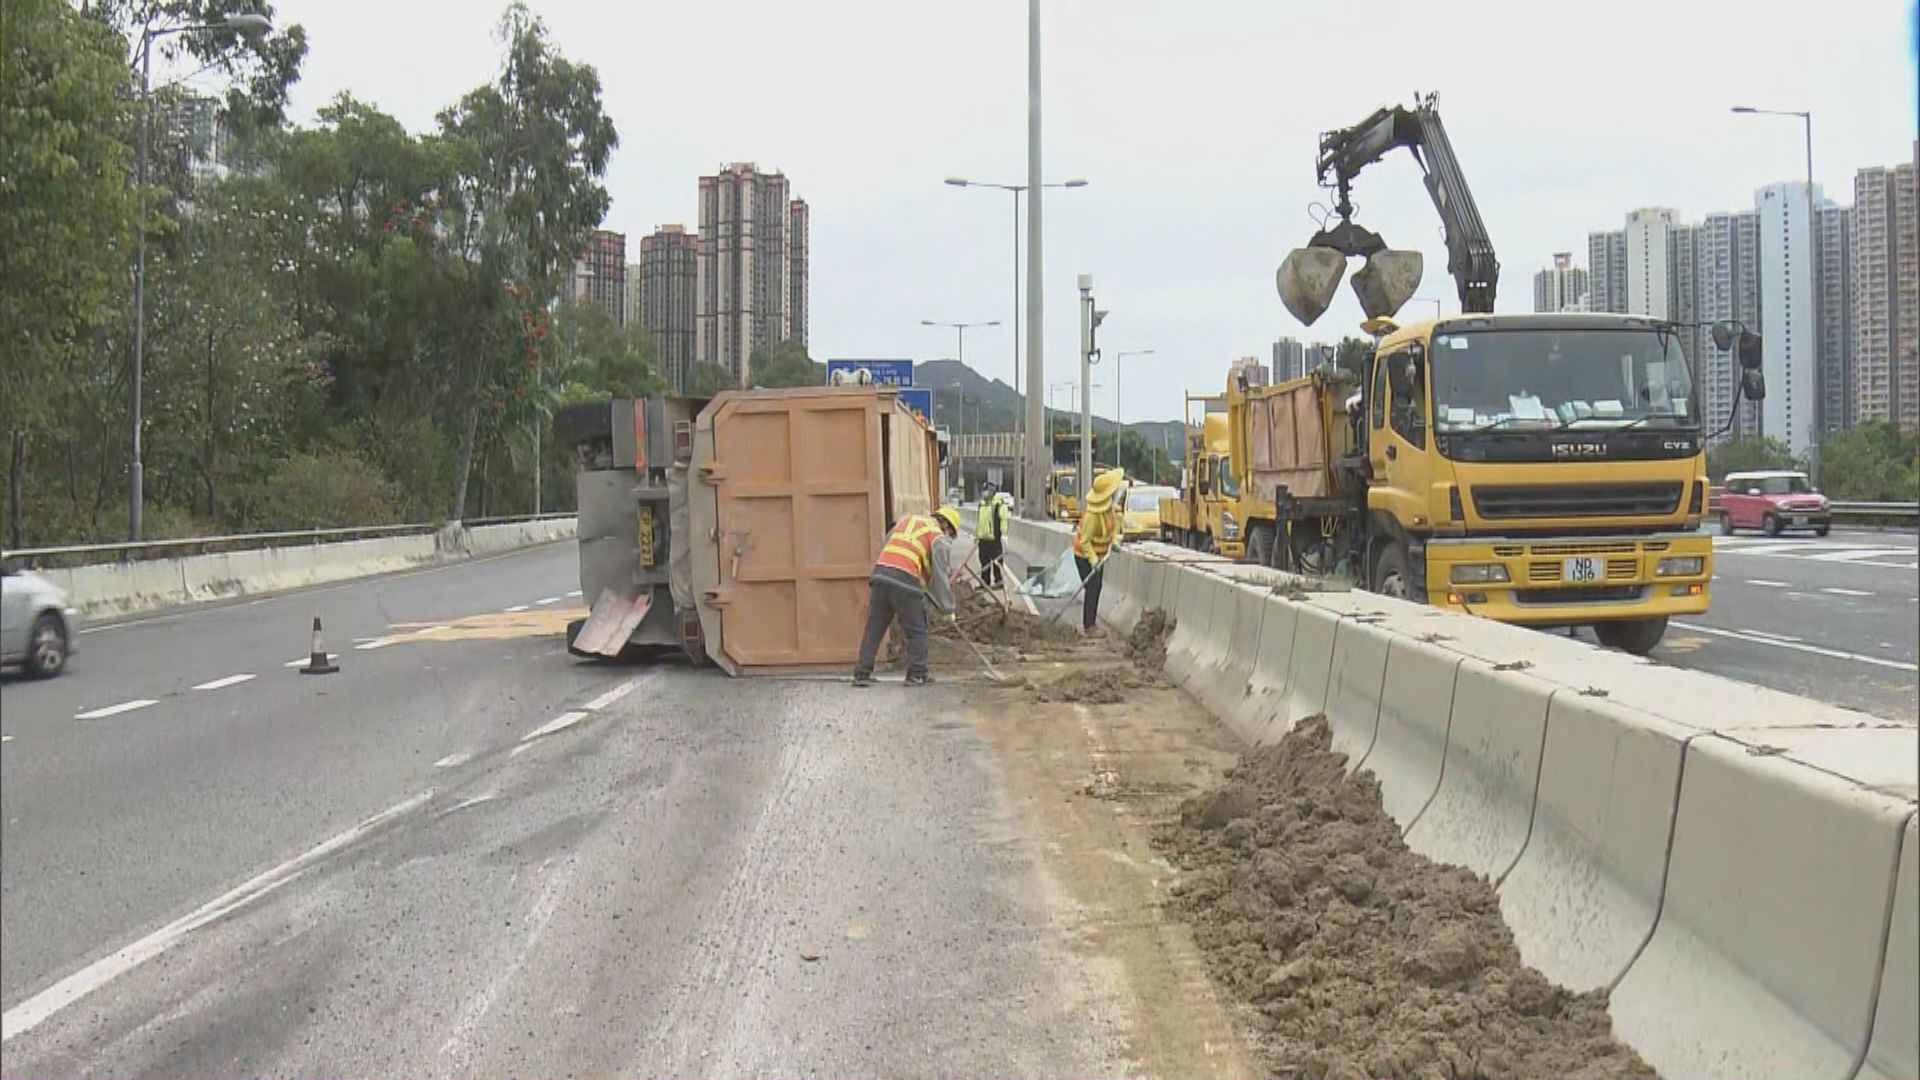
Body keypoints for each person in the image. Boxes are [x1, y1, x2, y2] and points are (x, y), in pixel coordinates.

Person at [853, 506, 961, 687]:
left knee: (875, 627)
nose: (948, 536)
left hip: (881, 575)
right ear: (945, 525)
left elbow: (886, 547)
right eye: (950, 532)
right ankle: (917, 673)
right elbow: (940, 578)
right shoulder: (937, 537)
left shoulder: (905, 521)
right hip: (905, 579)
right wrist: (947, 608)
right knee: (917, 629)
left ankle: (862, 673)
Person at [1072, 469, 1125, 635]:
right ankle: (1089, 626)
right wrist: (1093, 560)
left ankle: (1090, 623)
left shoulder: (1110, 511)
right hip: (1083, 556)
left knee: (1097, 586)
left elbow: (1115, 528)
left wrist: (1116, 540)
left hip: (1100, 556)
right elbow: (1084, 541)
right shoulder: (1092, 517)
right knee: (1092, 587)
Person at [975, 483, 1008, 587]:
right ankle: (985, 582)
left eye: (986, 491)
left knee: (996, 561)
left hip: (994, 538)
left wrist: (1003, 534)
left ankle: (998, 581)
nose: (984, 493)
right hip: (983, 538)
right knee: (984, 561)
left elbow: (1003, 519)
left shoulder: (999, 504)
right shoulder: (982, 504)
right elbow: (979, 521)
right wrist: (977, 535)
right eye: (984, 491)